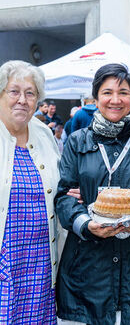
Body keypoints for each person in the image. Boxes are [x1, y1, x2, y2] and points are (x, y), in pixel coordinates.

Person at [55, 63, 130, 325]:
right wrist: (85, 224)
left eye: (123, 92)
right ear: (96, 98)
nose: (115, 99)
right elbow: (63, 196)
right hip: (86, 266)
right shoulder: (77, 142)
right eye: (107, 92)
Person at [0, 60, 61, 324]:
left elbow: (59, 186)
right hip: (6, 263)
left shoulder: (44, 135)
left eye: (30, 93)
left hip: (40, 261)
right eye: (14, 91)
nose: (22, 100)